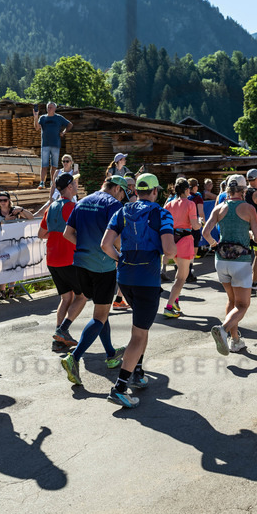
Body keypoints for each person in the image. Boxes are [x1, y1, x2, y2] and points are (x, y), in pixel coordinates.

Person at [101, 174, 176, 407]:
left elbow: (105, 244)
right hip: (147, 279)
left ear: (137, 191)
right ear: (155, 192)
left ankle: (139, 371)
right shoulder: (162, 213)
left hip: (125, 278)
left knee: (141, 327)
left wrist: (120, 259)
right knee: (139, 334)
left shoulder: (122, 211)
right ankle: (119, 388)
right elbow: (169, 250)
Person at [58, 177, 130, 386]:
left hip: (81, 264)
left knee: (101, 310)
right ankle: (74, 358)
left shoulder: (82, 201)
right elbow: (117, 239)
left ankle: (110, 354)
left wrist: (86, 247)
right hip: (103, 266)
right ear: (117, 189)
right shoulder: (113, 205)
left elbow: (67, 233)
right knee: (100, 315)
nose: (122, 198)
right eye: (123, 193)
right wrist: (120, 257)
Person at [204, 174, 257, 355]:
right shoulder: (248, 208)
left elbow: (206, 232)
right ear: (244, 190)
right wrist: (251, 236)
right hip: (240, 261)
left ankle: (235, 340)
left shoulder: (219, 207)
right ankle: (222, 330)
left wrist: (214, 244)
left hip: (221, 260)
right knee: (243, 305)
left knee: (232, 301)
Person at [39, 172, 88, 351]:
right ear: (69, 187)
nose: (77, 185)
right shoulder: (73, 207)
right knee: (82, 296)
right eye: (75, 182)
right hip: (69, 259)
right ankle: (63, 330)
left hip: (53, 259)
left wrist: (57, 236)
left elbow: (41, 234)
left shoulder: (51, 207)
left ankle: (58, 340)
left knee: (66, 298)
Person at [163, 178, 199, 317]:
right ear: (186, 190)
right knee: (181, 278)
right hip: (184, 241)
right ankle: (169, 307)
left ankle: (175, 302)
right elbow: (195, 226)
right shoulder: (190, 204)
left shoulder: (169, 204)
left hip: (171, 241)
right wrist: (200, 223)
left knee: (180, 274)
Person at [33, 102, 72, 189]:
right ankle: (42, 182)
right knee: (44, 165)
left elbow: (70, 124)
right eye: (48, 107)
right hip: (45, 145)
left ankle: (53, 182)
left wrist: (64, 132)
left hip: (56, 145)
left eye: (51, 107)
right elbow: (37, 128)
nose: (49, 109)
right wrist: (36, 117)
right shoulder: (43, 118)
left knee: (54, 165)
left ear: (55, 108)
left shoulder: (59, 118)